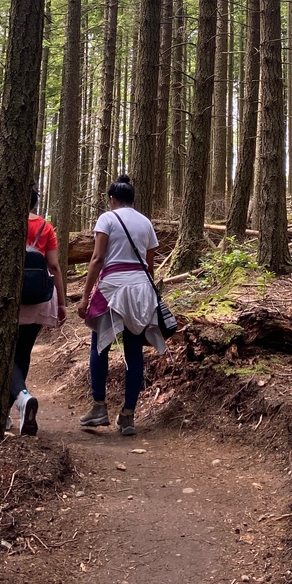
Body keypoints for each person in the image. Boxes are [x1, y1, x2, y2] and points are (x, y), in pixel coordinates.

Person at [78, 174, 166, 437]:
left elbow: (97, 258)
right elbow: (150, 266)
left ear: (112, 199)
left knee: (100, 345)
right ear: (132, 199)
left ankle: (99, 407)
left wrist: (84, 296)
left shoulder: (107, 219)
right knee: (134, 350)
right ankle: (128, 416)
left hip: (112, 287)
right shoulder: (146, 223)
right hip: (140, 288)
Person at [8, 184, 66, 435]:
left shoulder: (3, 223)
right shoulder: (46, 227)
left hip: (8, 297)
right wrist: (62, 303)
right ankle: (10, 412)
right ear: (34, 202)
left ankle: (21, 399)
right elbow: (53, 266)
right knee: (23, 353)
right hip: (39, 296)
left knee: (5, 356)